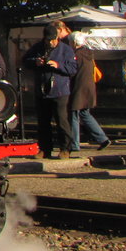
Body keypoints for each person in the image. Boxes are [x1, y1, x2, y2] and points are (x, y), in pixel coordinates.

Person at [23, 23, 76, 158]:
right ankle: (45, 149)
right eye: (48, 40)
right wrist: (35, 62)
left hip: (60, 90)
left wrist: (58, 65)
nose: (51, 42)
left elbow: (72, 69)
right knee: (43, 122)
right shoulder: (37, 48)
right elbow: (25, 61)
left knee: (62, 121)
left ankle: (65, 148)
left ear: (57, 37)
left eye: (53, 39)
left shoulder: (66, 50)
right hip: (42, 90)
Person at [68, 31, 111, 153]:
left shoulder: (75, 55)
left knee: (73, 115)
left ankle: (74, 144)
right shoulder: (89, 53)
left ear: (74, 42)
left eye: (70, 41)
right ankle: (103, 139)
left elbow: (71, 71)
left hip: (78, 87)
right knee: (85, 114)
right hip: (89, 87)